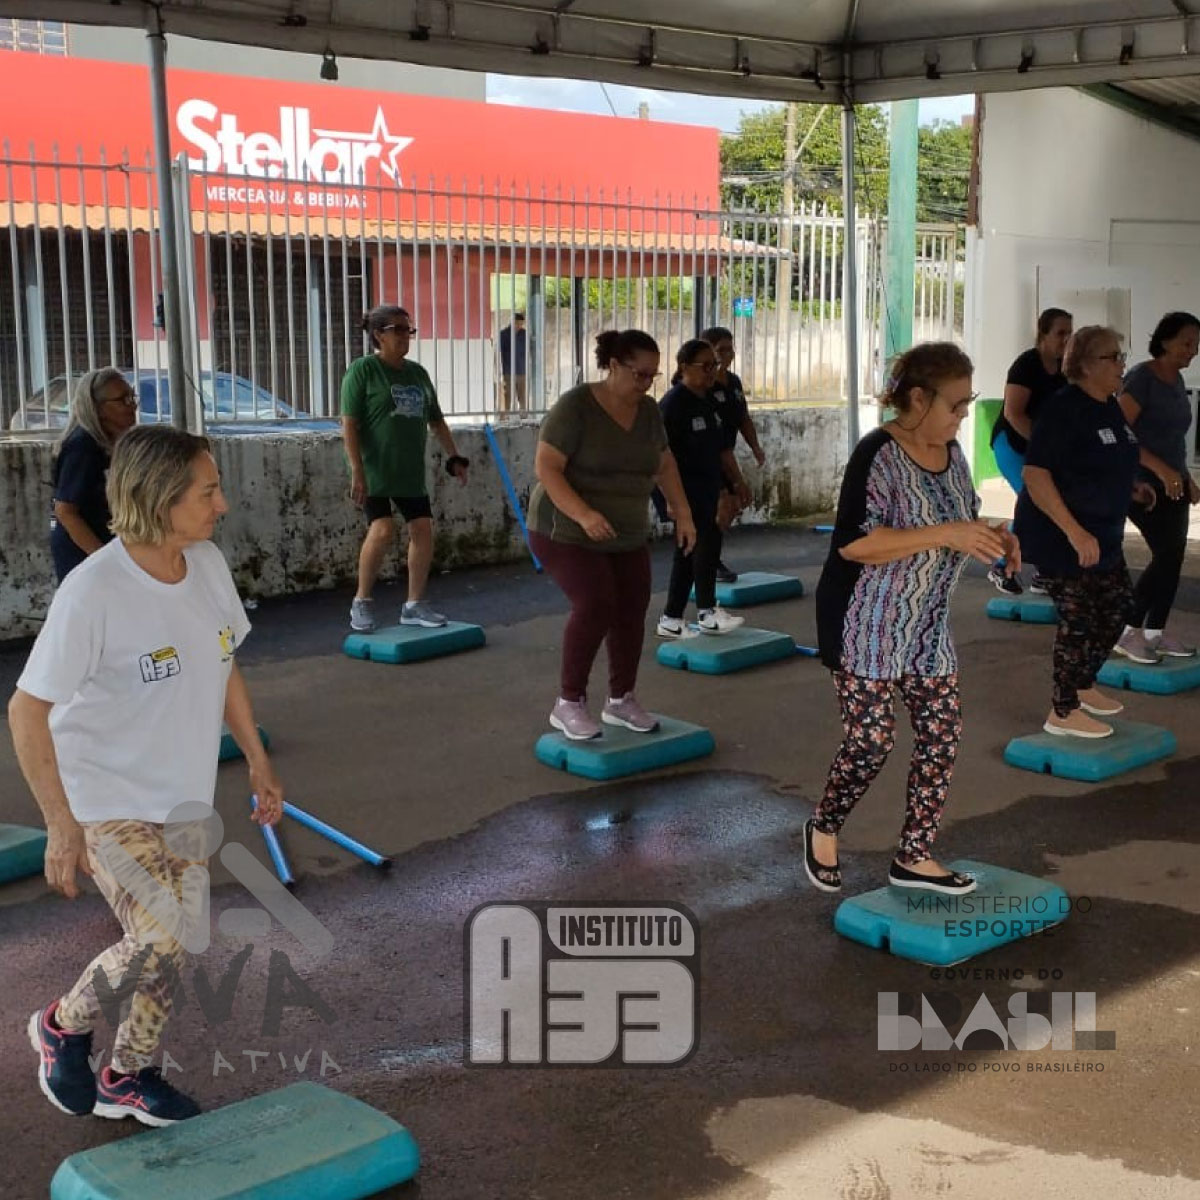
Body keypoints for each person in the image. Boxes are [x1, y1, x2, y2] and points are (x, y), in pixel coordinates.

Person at [9, 425, 283, 1126]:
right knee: (161, 934)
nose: (222, 504)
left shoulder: (208, 566)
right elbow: (26, 710)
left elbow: (225, 663)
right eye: (208, 491)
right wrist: (61, 825)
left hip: (183, 796)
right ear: (161, 499)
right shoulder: (93, 592)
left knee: (176, 943)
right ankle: (61, 1026)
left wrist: (257, 758)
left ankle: (127, 1074)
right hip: (105, 796)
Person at [808, 342, 1019, 897]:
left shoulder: (953, 454)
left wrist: (994, 536)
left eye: (969, 402)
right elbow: (855, 543)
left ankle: (914, 856)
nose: (964, 415)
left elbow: (961, 519)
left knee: (941, 736)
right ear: (919, 398)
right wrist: (947, 533)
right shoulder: (877, 454)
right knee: (872, 741)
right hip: (863, 623)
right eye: (956, 404)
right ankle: (824, 824)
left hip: (926, 625)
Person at [528, 329, 696, 741]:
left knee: (632, 607)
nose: (647, 383)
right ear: (615, 366)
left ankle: (621, 700)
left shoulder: (649, 412)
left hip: (625, 530)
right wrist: (584, 514)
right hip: (564, 527)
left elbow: (664, 464)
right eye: (640, 374)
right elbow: (546, 467)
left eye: (653, 376)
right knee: (596, 603)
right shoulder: (576, 407)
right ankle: (568, 702)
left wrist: (683, 512)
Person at [1014, 326, 1157, 738]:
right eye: (1112, 357)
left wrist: (1132, 487)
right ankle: (1062, 711)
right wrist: (1074, 532)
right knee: (1078, 620)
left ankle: (1081, 685)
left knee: (1118, 607)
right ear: (1086, 365)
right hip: (1062, 537)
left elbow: (1107, 459)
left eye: (1121, 356)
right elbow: (1036, 475)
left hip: (1102, 534)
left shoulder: (1108, 405)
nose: (1121, 365)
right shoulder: (1063, 409)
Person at [342, 305, 470, 632]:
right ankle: (361, 600)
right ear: (378, 335)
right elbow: (349, 424)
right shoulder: (363, 371)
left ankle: (414, 605)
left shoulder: (418, 374)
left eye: (408, 329)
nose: (405, 336)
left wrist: (454, 457)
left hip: (409, 470)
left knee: (423, 528)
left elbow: (436, 421)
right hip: (375, 469)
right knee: (383, 529)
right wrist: (357, 470)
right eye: (396, 329)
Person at [1115, 311, 1200, 662]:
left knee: (1173, 556)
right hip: (1140, 482)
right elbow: (1120, 432)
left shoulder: (1177, 381)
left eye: (1196, 345)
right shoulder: (1141, 378)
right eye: (1186, 343)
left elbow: (1173, 438)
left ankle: (1155, 632)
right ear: (1165, 341)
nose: (1193, 351)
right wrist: (1159, 470)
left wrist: (1185, 477)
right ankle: (1128, 630)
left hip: (1174, 482)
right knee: (1165, 554)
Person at [656, 339, 748, 639]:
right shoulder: (673, 405)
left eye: (714, 365)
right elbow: (658, 456)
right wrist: (670, 499)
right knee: (705, 540)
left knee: (688, 550)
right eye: (705, 366)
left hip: (706, 485)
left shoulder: (707, 400)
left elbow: (721, 449)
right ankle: (707, 611)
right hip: (682, 489)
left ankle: (672, 617)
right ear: (684, 367)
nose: (712, 372)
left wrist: (735, 482)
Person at [987, 308, 1073, 596]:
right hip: (1011, 444)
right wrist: (1044, 447)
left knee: (1050, 504)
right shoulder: (1026, 365)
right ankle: (1001, 566)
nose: (1066, 339)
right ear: (1043, 334)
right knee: (1036, 503)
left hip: (1039, 448)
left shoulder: (1065, 370)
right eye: (1060, 333)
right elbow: (1013, 414)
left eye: (1070, 333)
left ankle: (1043, 572)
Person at [49, 367, 138, 582]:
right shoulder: (83, 447)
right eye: (122, 400)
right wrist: (102, 557)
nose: (132, 405)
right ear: (97, 408)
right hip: (83, 551)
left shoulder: (114, 444)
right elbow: (65, 511)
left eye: (132, 397)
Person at [702, 326, 766, 583]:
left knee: (729, 508)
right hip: (707, 456)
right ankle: (706, 561)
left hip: (725, 454)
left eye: (730, 349)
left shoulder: (734, 383)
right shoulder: (703, 386)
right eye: (721, 350)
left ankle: (708, 557)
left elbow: (743, 418)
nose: (727, 355)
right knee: (720, 506)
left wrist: (756, 447)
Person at [498, 312, 528, 413]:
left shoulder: (524, 334)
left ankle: (523, 416)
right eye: (517, 323)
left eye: (521, 324)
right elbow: (500, 352)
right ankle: (506, 415)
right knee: (508, 396)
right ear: (512, 322)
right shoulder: (503, 334)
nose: (519, 326)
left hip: (521, 370)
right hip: (508, 371)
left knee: (522, 396)